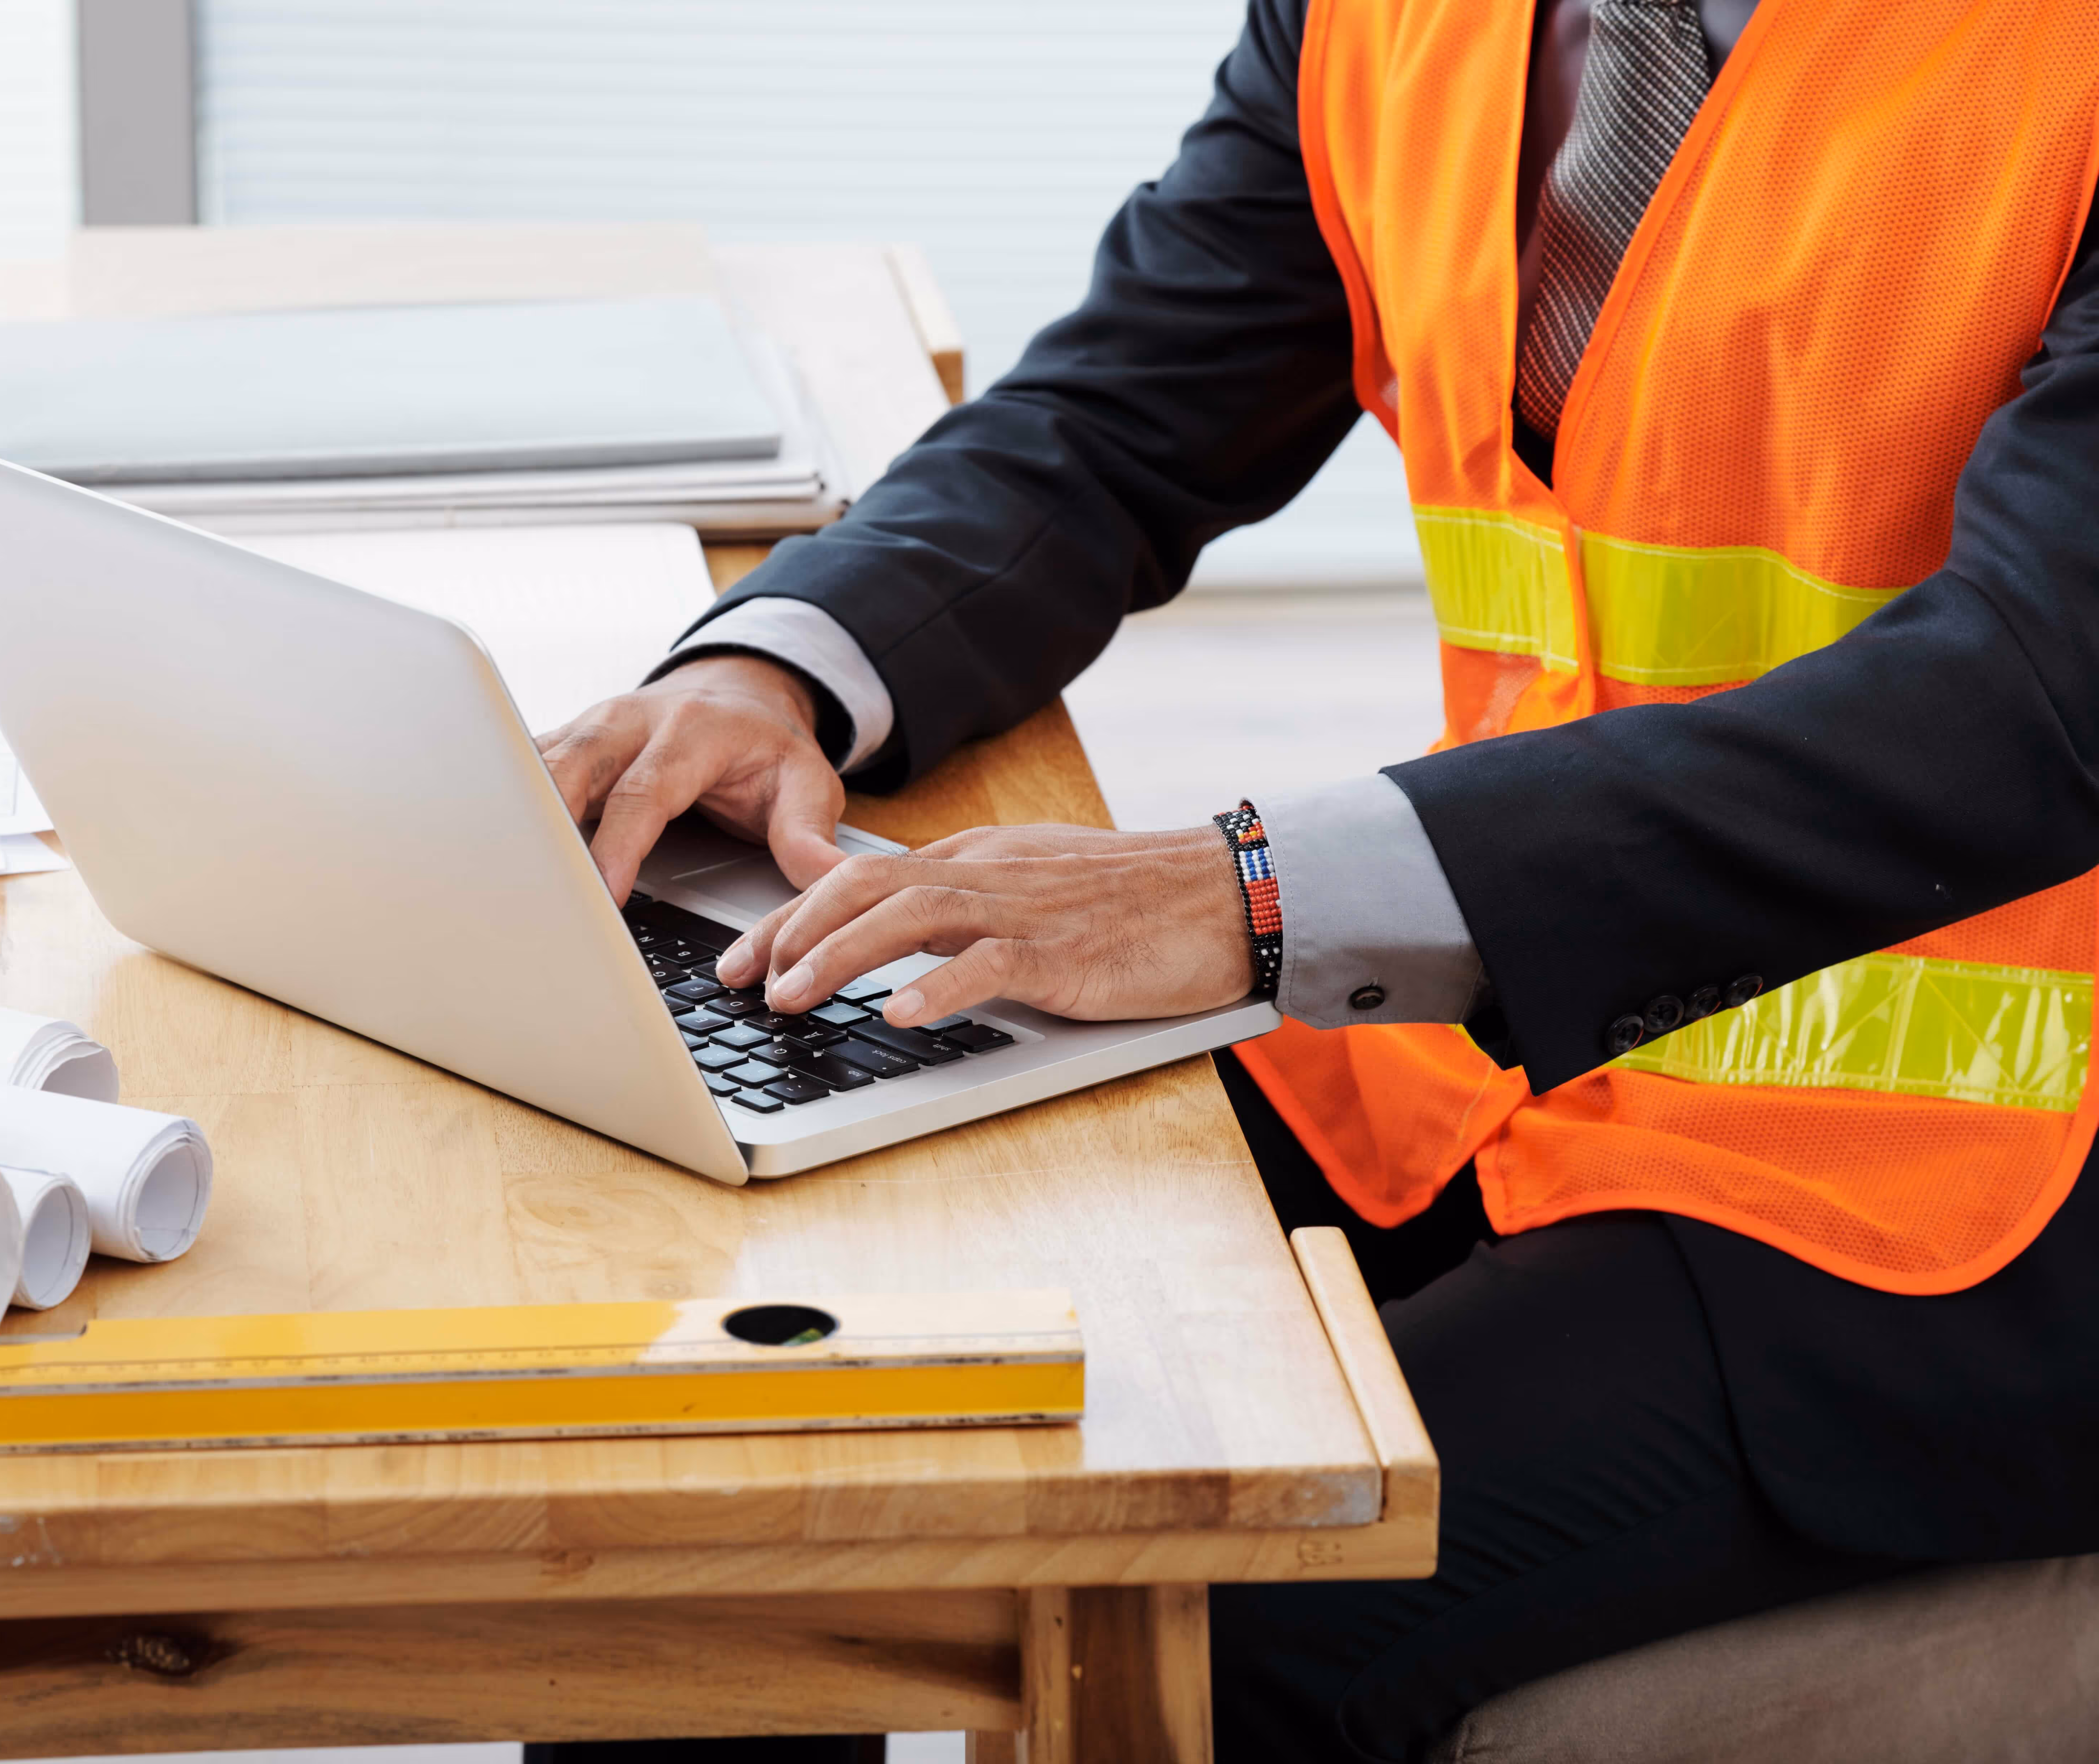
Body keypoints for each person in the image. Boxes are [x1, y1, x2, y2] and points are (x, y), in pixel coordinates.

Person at [523, 0, 2099, 1758]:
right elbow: (1124, 413)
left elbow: (2037, 689)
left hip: (1974, 1193)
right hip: (1504, 1042)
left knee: (1195, 1583)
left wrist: (1244, 893)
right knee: (739, 1432)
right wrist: (777, 673)